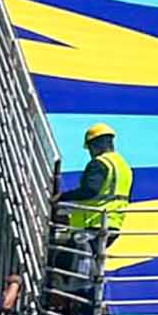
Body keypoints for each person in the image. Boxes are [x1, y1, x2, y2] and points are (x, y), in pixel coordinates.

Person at [54, 123, 133, 292]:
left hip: (93, 226)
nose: (90, 153)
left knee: (70, 265)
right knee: (87, 267)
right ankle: (85, 302)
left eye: (90, 148)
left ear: (95, 145)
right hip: (112, 224)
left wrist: (61, 198)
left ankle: (83, 305)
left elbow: (90, 190)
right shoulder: (123, 166)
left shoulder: (99, 163)